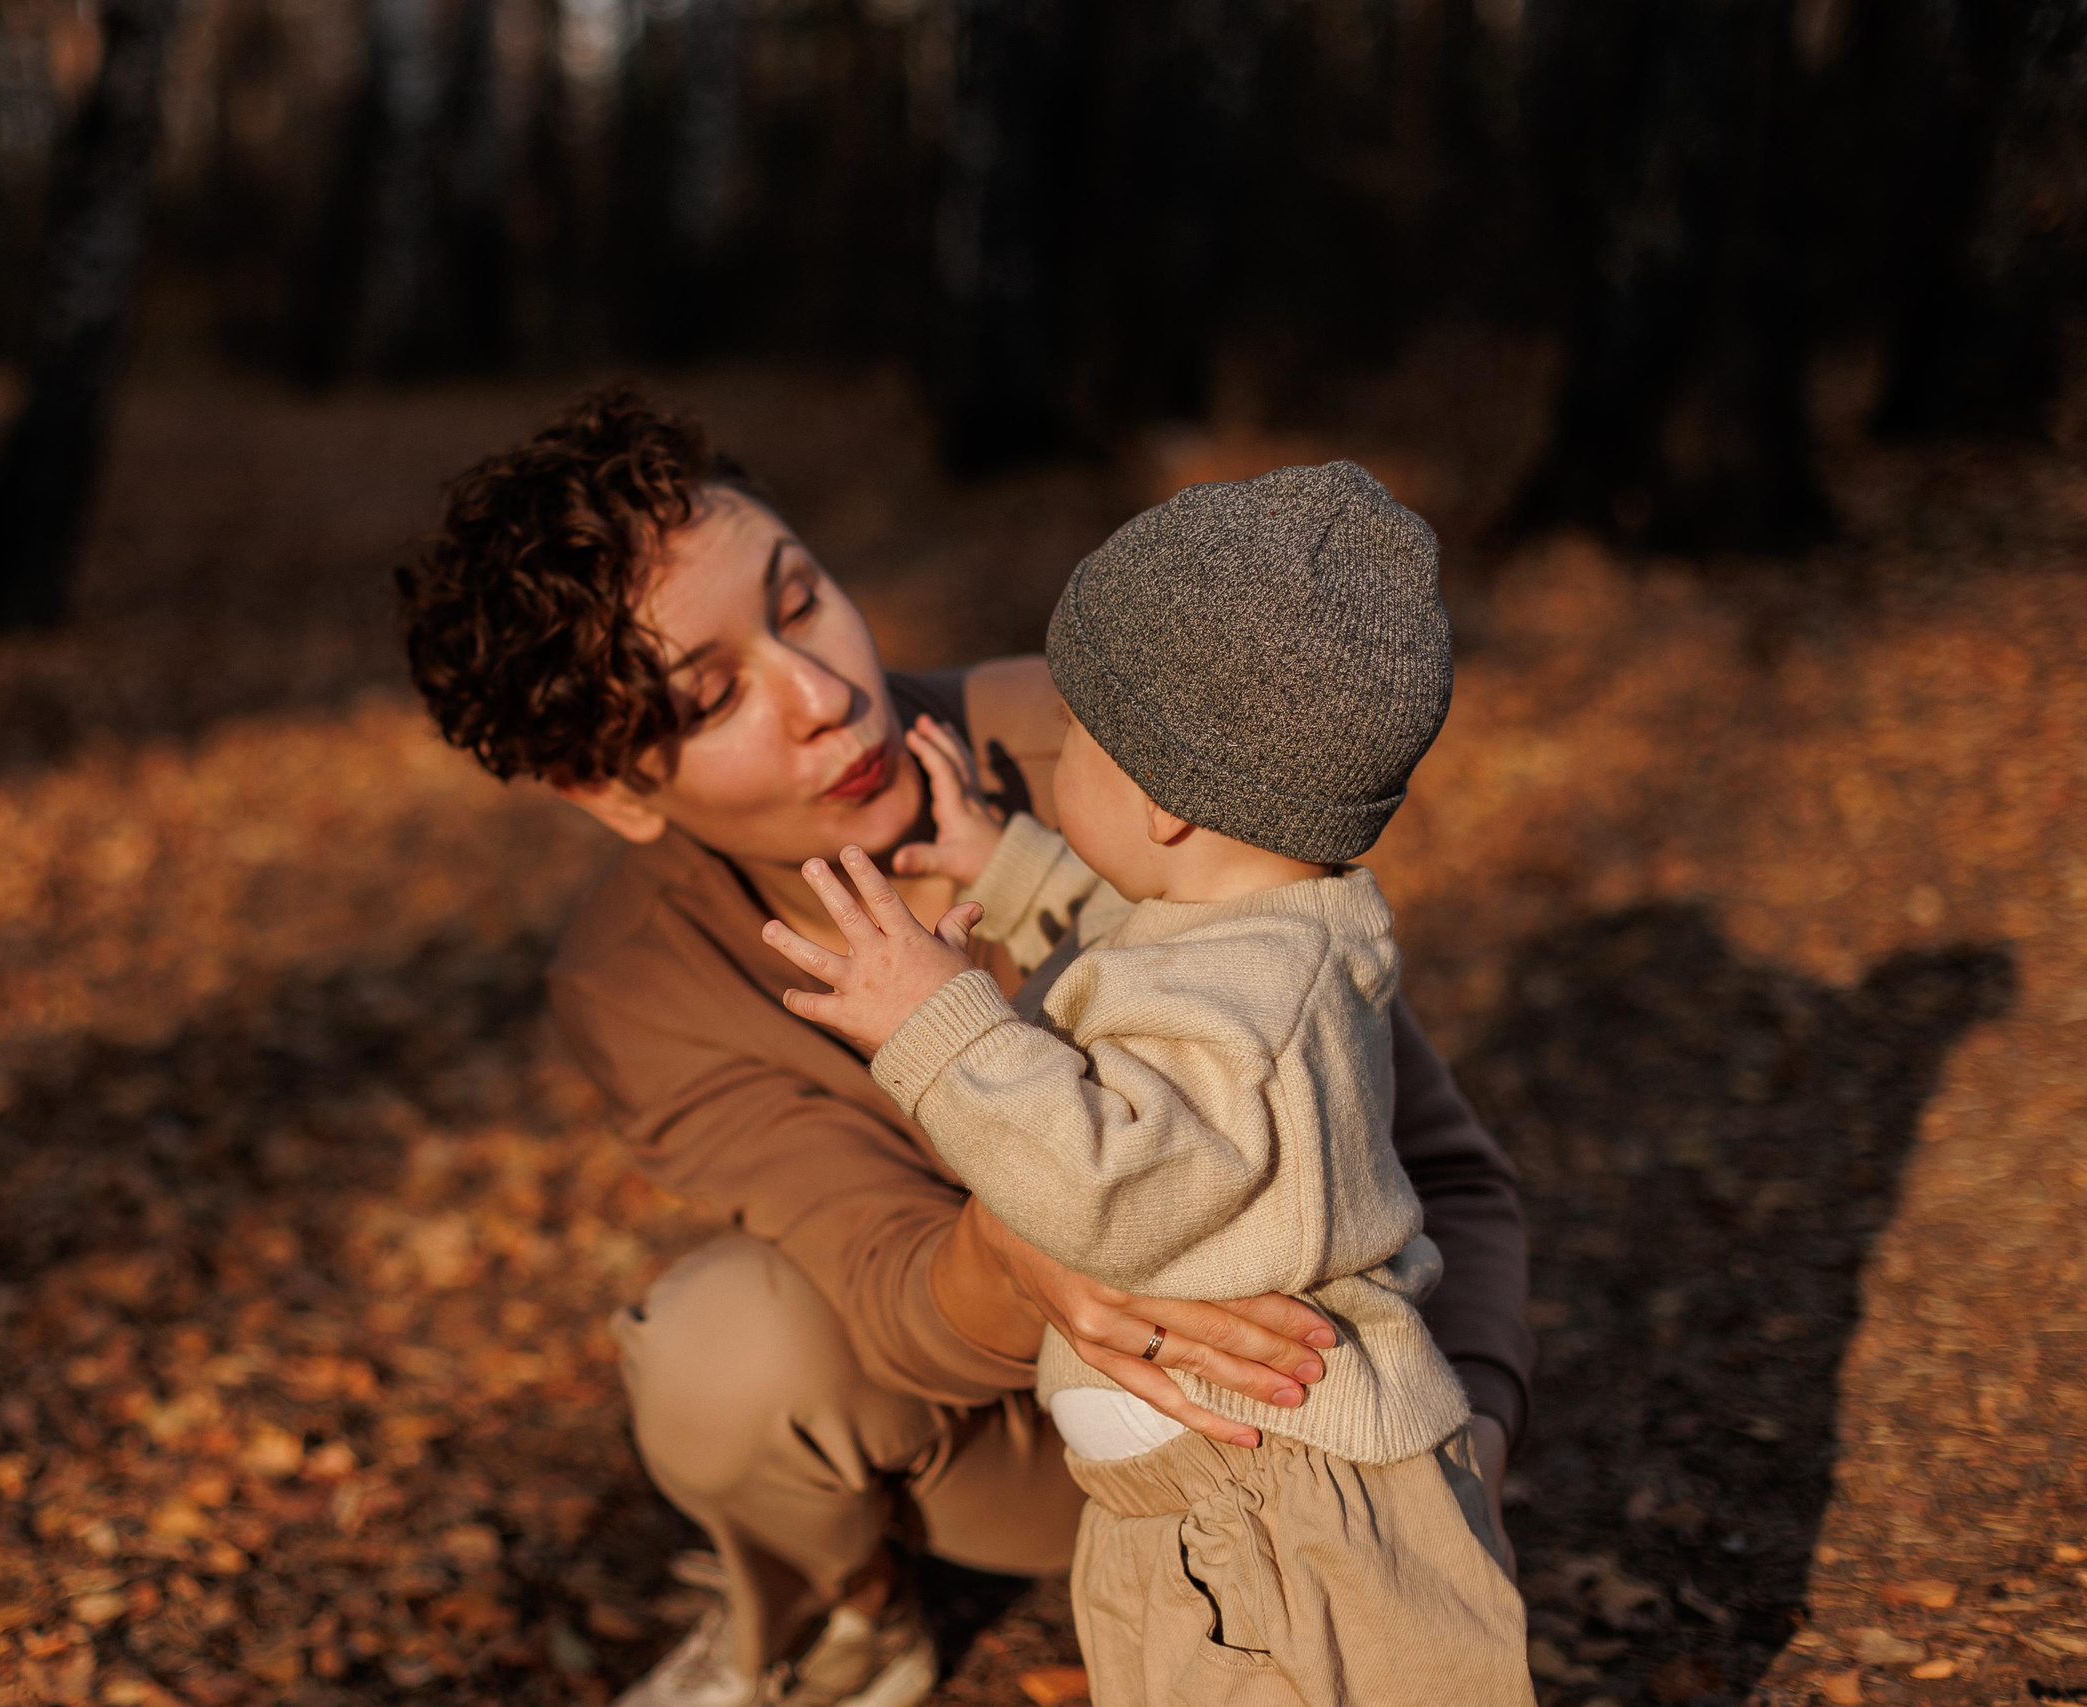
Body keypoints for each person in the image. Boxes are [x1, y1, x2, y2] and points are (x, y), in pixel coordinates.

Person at [395, 390, 1533, 1707]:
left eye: (802, 594)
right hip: (1033, 1446)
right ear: (608, 786)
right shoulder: (641, 976)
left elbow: (1446, 1167)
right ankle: (860, 1614)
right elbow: (886, 1289)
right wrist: (1034, 1256)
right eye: (712, 693)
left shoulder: (1116, 744)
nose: (826, 694)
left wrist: (1470, 1443)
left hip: (1323, 1412)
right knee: (718, 1347)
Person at [759, 464, 1531, 1705]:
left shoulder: (1249, 1004)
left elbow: (1111, 1185)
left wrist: (937, 1026)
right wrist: (1001, 867)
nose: (1052, 759)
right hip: (1206, 1488)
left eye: (1075, 743)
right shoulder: (1268, 924)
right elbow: (1138, 944)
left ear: (1167, 806)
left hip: (1276, 1500)